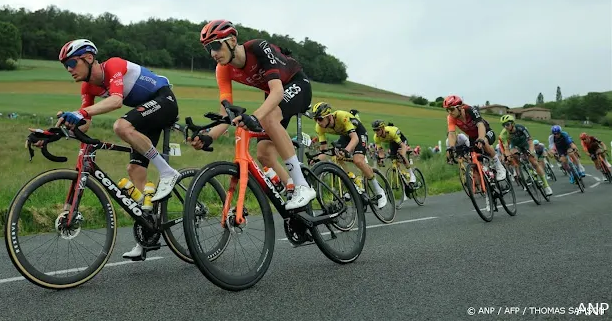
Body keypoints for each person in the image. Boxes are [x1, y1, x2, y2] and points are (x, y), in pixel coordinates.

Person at [55, 39, 180, 261]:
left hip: (164, 100)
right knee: (134, 170)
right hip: (144, 114)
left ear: (89, 58)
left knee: (121, 126)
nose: (69, 69)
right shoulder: (88, 87)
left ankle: (168, 171)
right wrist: (56, 131)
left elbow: (115, 101)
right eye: (66, 66)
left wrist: (81, 113)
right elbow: (85, 123)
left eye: (72, 63)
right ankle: (147, 232)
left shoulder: (113, 65)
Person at [189, 20, 315, 210]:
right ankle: (291, 188)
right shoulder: (222, 70)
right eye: (208, 49)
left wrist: (255, 117)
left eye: (216, 46)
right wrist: (208, 136)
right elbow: (226, 114)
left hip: (295, 84)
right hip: (273, 94)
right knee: (264, 153)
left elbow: (277, 92)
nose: (213, 53)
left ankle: (302, 186)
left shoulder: (258, 48)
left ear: (232, 41)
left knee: (268, 118)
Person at [312, 102, 387, 208]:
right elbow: (323, 150)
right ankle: (352, 181)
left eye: (319, 119)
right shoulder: (319, 127)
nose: (317, 122)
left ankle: (379, 191)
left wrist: (346, 150)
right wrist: (316, 159)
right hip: (345, 136)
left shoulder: (342, 116)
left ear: (328, 116)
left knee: (358, 160)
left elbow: (355, 139)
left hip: (358, 133)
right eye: (315, 119)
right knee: (335, 155)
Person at [442, 95, 507, 181]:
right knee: (475, 161)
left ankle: (499, 166)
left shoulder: (470, 110)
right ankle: (488, 185)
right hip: (472, 137)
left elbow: (480, 125)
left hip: (486, 132)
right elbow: (451, 133)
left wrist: (481, 138)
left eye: (451, 109)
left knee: (484, 142)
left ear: (460, 107)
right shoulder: (451, 118)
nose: (450, 112)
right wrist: (451, 147)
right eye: (447, 110)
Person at [499, 115, 552, 195]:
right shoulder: (503, 134)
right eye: (504, 125)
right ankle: (523, 168)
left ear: (512, 124)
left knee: (534, 162)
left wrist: (531, 151)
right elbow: (506, 148)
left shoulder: (521, 128)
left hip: (526, 144)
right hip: (515, 146)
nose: (505, 127)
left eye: (507, 124)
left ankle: (546, 185)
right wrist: (508, 156)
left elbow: (530, 141)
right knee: (513, 154)